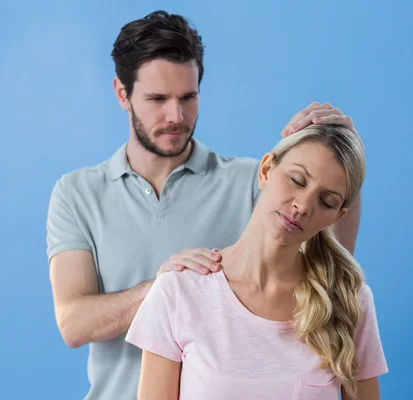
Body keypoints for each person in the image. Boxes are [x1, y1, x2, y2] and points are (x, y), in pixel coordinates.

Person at [46, 10, 363, 400]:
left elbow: (329, 260)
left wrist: (345, 167)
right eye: (158, 99)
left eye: (188, 97)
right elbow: (73, 323)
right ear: (122, 93)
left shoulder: (253, 181)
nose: (176, 116)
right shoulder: (77, 194)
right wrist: (168, 290)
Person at [125, 124, 387, 400]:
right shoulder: (179, 291)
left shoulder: (348, 301)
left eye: (326, 201)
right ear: (265, 171)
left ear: (336, 217)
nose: (303, 205)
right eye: (297, 180)